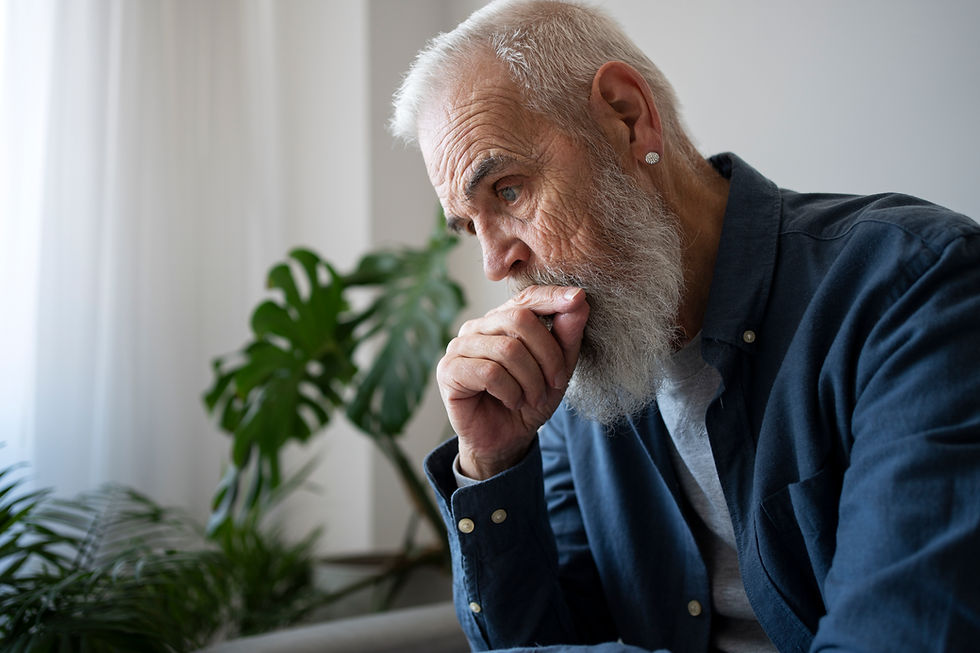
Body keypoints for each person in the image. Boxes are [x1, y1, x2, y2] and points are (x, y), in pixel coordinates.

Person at [389, 1, 980, 651]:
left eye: (507, 190)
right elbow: (540, 638)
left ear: (627, 116)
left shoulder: (914, 288)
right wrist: (493, 461)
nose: (497, 262)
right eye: (471, 224)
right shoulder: (575, 381)